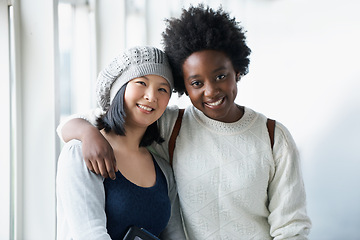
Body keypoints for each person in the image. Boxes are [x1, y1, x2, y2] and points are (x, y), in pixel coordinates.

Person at [57, 5, 312, 239]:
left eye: (221, 76)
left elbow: (291, 228)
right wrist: (87, 133)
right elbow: (93, 120)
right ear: (185, 87)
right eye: (197, 83)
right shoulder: (173, 125)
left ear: (238, 71)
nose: (211, 91)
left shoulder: (273, 137)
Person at [56, 46, 186, 240]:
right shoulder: (79, 153)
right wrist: (86, 132)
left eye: (162, 89)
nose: (151, 96)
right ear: (119, 88)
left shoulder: (163, 170)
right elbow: (90, 234)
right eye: (141, 82)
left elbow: (174, 234)